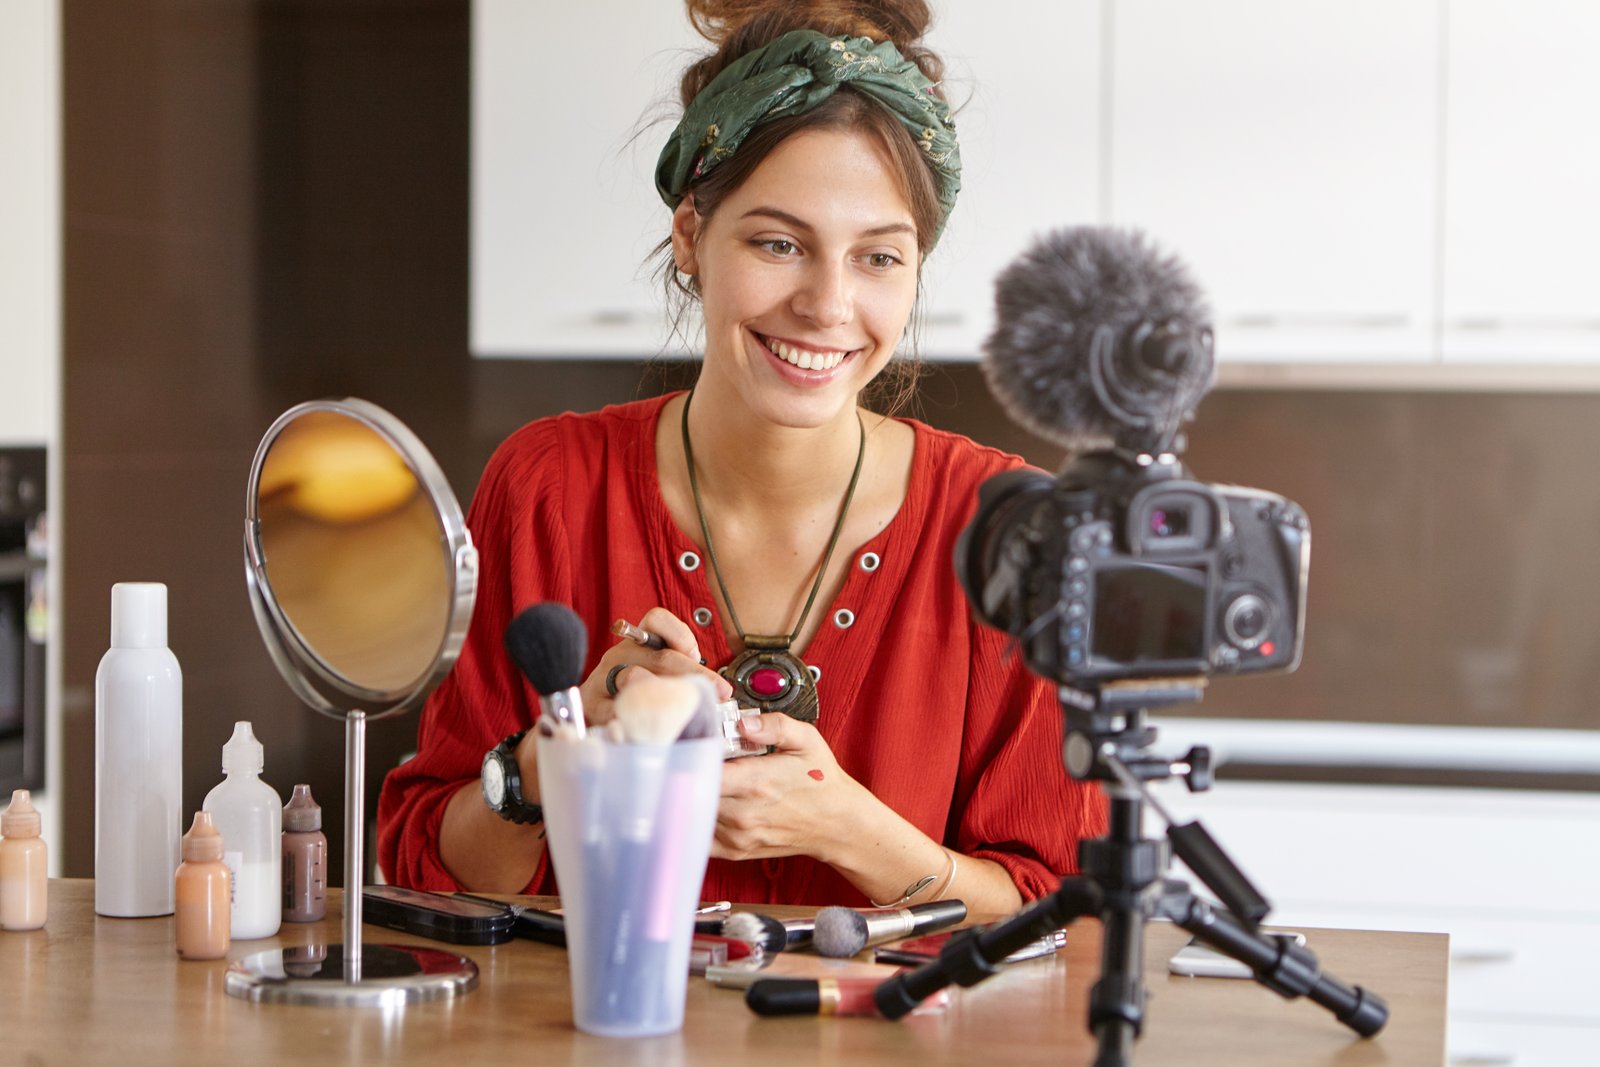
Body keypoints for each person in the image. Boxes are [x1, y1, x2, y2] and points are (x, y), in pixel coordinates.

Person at [377, 0, 1106, 911]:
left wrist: (845, 826)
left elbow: (1066, 918)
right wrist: (553, 754)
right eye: (778, 243)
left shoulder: (1008, 529)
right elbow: (430, 869)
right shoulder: (549, 488)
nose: (829, 305)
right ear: (691, 236)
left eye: (879, 258)